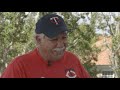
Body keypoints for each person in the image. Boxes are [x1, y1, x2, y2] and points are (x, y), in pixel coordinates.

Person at [1, 14, 90, 78]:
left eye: (64, 37)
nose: (61, 44)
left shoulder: (73, 60)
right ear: (38, 39)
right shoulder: (19, 66)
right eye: (54, 39)